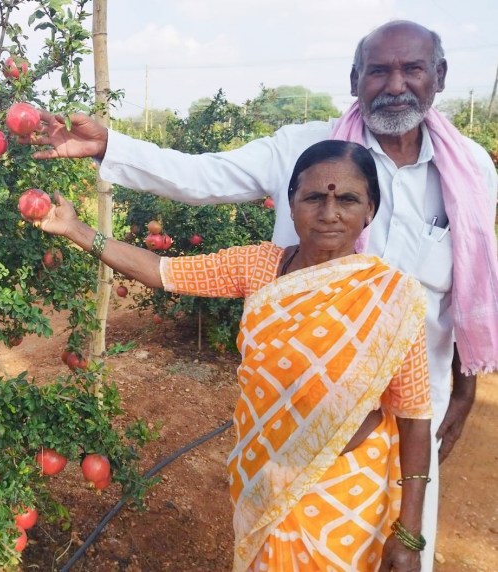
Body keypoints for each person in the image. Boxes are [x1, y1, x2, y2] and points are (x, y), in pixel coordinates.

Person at [26, 20, 498, 569]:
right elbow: (199, 179)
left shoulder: (472, 170)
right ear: (355, 79)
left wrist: (464, 391)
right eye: (378, 70)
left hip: (417, 400)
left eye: (412, 68)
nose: (396, 83)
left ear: (438, 75)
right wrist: (111, 149)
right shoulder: (300, 152)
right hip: (282, 421)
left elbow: (474, 285)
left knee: (398, 545)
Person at [40, 140, 432, 571]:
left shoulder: (391, 296)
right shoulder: (259, 267)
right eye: (314, 197)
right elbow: (161, 271)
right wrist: (76, 230)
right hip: (265, 475)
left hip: (349, 493)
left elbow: (414, 415)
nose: (329, 213)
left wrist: (409, 531)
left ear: (370, 210)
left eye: (348, 199)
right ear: (291, 204)